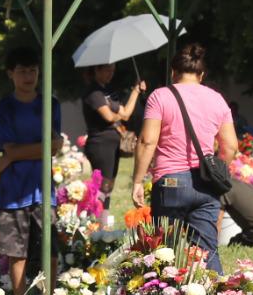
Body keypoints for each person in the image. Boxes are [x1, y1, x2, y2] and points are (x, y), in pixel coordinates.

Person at [130, 43, 238, 273]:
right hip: (206, 184)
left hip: (170, 183)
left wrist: (138, 181)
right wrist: (216, 171)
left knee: (163, 251)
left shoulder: (160, 96)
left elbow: (147, 141)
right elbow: (230, 147)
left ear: (173, 72)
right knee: (207, 253)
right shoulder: (217, 99)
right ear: (201, 75)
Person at [0, 46, 64, 295]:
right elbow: (13, 146)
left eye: (33, 70)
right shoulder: (3, 109)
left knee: (51, 252)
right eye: (22, 71)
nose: (28, 76)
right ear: (10, 74)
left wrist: (11, 157)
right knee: (16, 252)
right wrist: (24, 151)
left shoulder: (50, 105)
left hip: (44, 189)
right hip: (14, 190)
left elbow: (54, 147)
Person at [80, 64, 144, 208]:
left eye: (113, 70)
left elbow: (126, 114)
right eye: (108, 70)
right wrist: (118, 115)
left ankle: (102, 219)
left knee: (108, 186)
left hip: (112, 145)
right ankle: (95, 220)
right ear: (97, 70)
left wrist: (135, 91)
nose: (111, 73)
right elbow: (108, 117)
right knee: (102, 186)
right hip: (100, 145)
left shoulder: (107, 92)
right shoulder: (94, 93)